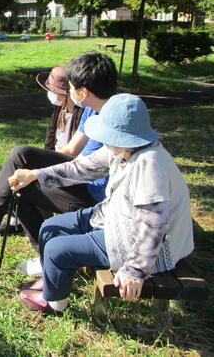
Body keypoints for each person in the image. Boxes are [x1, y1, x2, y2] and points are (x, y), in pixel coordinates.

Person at [13, 94, 193, 314]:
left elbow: (153, 228)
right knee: (51, 228)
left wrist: (135, 271)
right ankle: (52, 280)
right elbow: (81, 168)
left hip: (137, 244)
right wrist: (35, 175)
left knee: (56, 249)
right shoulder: (122, 150)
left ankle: (55, 303)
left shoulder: (150, 166)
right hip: (114, 218)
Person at [0, 52, 117, 277]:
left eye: (72, 87)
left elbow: (87, 169)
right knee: (17, 183)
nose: (69, 93)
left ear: (83, 91)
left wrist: (38, 173)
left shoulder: (116, 119)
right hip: (80, 178)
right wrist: (37, 168)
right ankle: (38, 253)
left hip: (94, 198)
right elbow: (69, 151)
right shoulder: (93, 110)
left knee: (21, 157)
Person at [0, 64, 83, 236]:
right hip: (56, 158)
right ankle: (16, 220)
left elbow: (74, 152)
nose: (50, 93)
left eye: (53, 90)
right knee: (19, 169)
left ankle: (3, 220)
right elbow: (50, 139)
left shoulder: (82, 113)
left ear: (67, 92)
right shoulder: (60, 108)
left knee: (23, 166)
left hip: (70, 166)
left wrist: (42, 166)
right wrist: (42, 158)